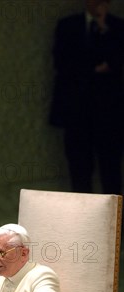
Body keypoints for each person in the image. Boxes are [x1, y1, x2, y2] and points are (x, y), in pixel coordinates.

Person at [49, 0, 124, 194]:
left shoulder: (117, 27)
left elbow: (117, 61)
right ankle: (83, 220)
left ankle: (116, 222)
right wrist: (92, 69)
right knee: (79, 171)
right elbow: (62, 62)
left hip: (109, 113)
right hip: (77, 111)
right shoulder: (68, 26)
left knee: (112, 171)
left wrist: (103, 30)